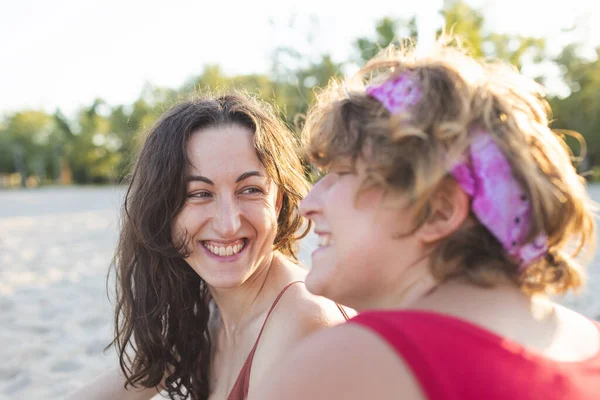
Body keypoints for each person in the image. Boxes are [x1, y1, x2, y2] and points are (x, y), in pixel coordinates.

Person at [250, 39, 600, 400]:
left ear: (439, 210)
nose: (308, 202)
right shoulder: (589, 347)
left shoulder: (350, 364)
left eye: (340, 173)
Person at [66, 93, 350, 400]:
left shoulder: (303, 321)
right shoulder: (209, 307)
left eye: (250, 190)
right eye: (199, 194)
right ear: (164, 211)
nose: (228, 224)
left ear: (277, 201)